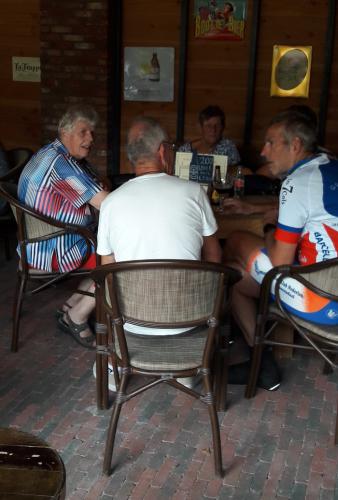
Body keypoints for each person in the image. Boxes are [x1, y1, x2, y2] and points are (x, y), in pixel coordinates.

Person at [224, 110, 338, 386]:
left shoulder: (296, 183)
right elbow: (310, 211)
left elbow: (279, 260)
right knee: (236, 278)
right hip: (332, 287)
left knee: (236, 247)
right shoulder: (329, 167)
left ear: (295, 145)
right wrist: (256, 208)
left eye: (270, 143)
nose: (263, 152)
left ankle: (260, 361)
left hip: (321, 302)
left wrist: (267, 227)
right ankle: (261, 364)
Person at [18, 104, 109, 348]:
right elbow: (106, 203)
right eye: (83, 132)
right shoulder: (62, 165)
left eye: (92, 132)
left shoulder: (51, 152)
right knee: (118, 260)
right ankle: (77, 316)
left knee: (105, 246)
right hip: (51, 250)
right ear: (65, 131)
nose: (90, 138)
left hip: (34, 244)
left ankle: (69, 308)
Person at [178, 105, 243, 169]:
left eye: (217, 125)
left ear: (222, 128)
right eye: (208, 126)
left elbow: (239, 172)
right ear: (200, 127)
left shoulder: (228, 147)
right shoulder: (185, 150)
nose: (213, 130)